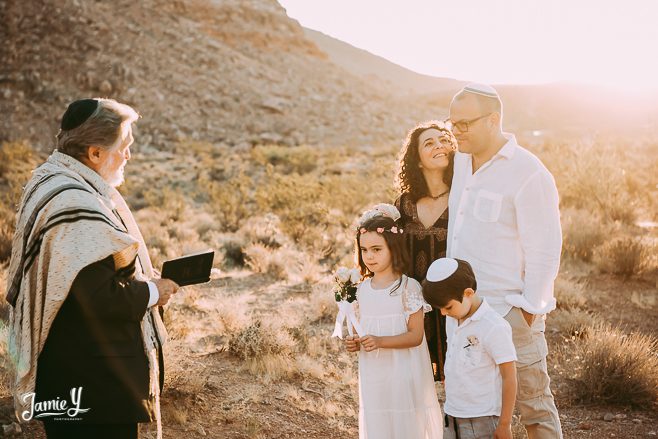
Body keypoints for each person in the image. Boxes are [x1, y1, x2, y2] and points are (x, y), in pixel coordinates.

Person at [5, 98, 179, 439]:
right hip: (93, 384)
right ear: (95, 153)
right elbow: (100, 299)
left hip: (71, 374)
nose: (128, 155)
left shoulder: (50, 180)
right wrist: (155, 291)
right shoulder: (76, 202)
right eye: (123, 146)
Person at [447, 83, 563, 438]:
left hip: (509, 312)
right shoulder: (461, 164)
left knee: (535, 409)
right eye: (453, 123)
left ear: (493, 120)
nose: (457, 131)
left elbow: (545, 246)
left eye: (464, 123)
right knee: (477, 411)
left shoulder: (528, 172)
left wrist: (528, 309)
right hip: (466, 315)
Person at [344, 204, 443, 439]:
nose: (369, 256)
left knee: (406, 423)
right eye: (365, 249)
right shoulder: (360, 291)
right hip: (374, 374)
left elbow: (415, 335)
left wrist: (380, 341)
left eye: (377, 249)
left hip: (403, 372)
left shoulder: (408, 287)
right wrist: (354, 342)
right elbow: (362, 331)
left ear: (393, 247)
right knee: (379, 421)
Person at [423, 257, 517, 439]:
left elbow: (509, 377)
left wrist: (505, 424)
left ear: (467, 293)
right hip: (452, 412)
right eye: (440, 309)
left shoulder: (494, 326)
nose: (443, 313)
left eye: (448, 307)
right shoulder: (453, 318)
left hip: (481, 417)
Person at [394, 120, 457, 382]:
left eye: (443, 140)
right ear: (417, 160)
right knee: (416, 380)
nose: (438, 146)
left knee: (460, 374)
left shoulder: (462, 196)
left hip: (454, 304)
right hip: (415, 305)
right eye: (429, 143)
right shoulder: (404, 203)